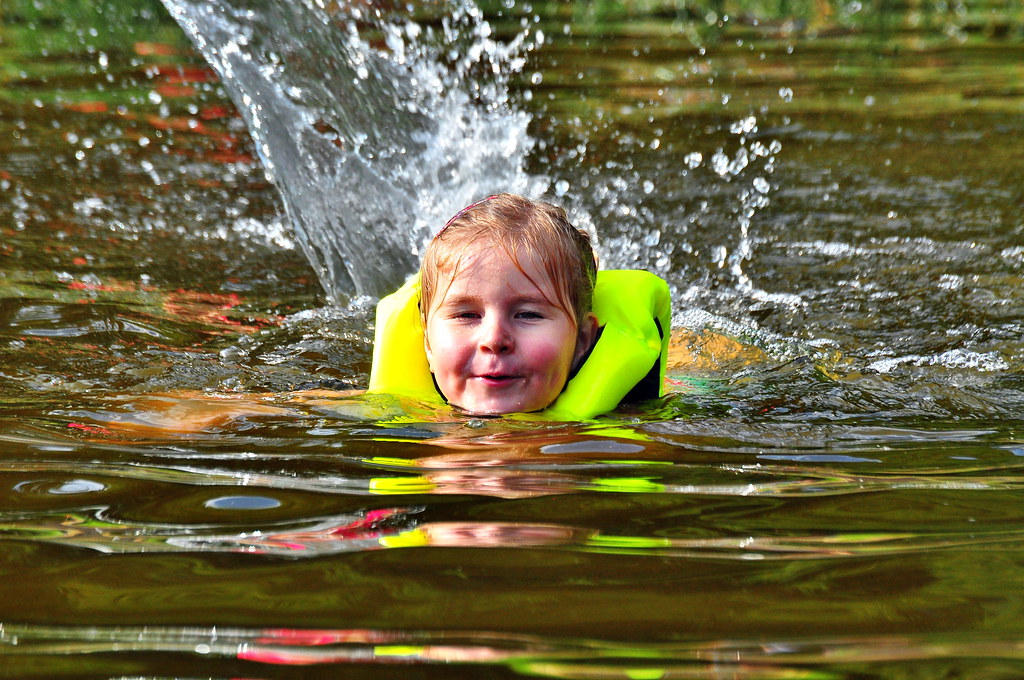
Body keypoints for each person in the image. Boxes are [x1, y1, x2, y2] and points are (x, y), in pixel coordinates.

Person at [368, 193, 671, 419]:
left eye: (527, 314)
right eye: (467, 315)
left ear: (581, 340)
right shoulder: (359, 413)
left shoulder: (640, 427)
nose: (494, 340)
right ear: (428, 345)